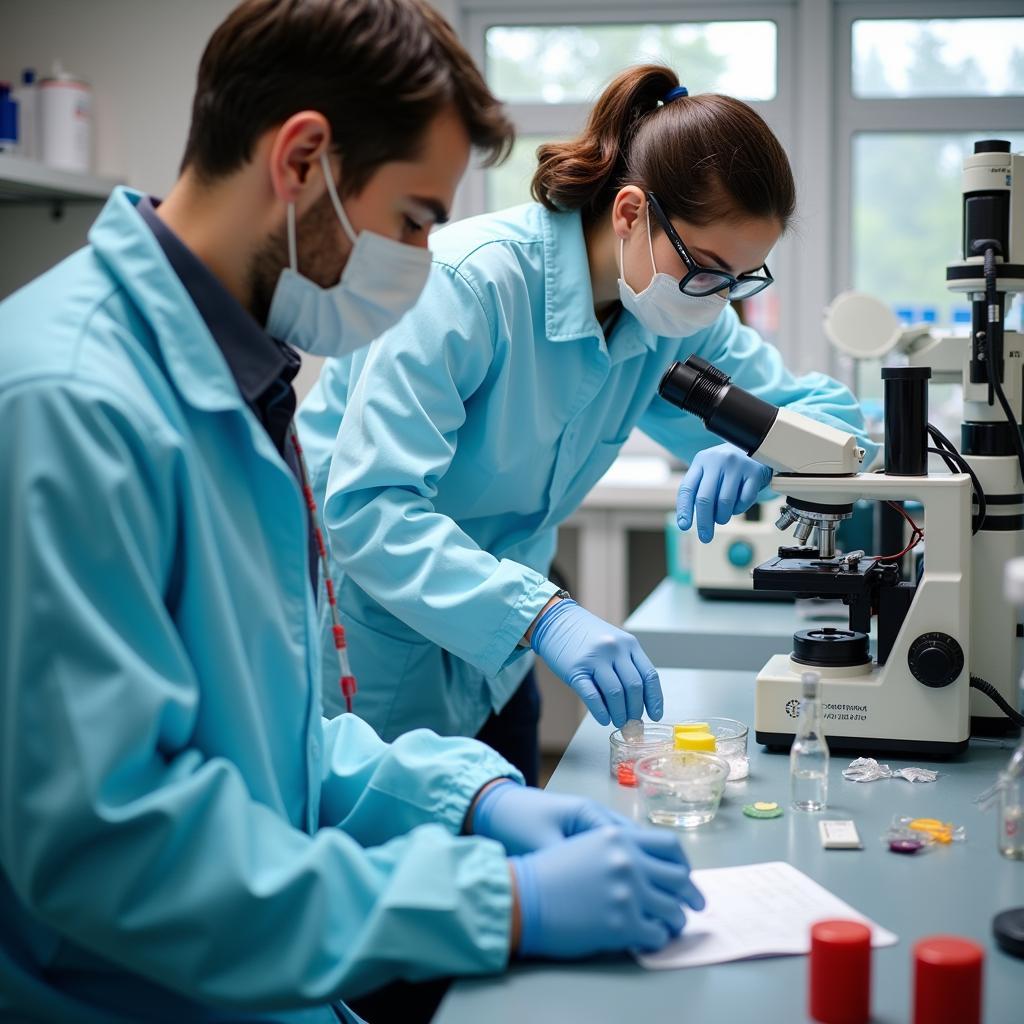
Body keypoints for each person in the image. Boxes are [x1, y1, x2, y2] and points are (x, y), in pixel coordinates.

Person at [0, 6, 704, 1022]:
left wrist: (471, 800)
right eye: (414, 218)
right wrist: (492, 901)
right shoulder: (70, 407)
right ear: (302, 159)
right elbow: (111, 845)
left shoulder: (236, 373)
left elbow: (275, 743)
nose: (421, 259)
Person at [297, 65, 880, 785]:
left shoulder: (673, 317)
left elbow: (834, 416)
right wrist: (545, 617)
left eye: (740, 280)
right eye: (707, 270)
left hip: (500, 662)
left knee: (506, 865)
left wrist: (773, 449)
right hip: (378, 648)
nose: (718, 299)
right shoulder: (467, 285)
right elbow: (366, 512)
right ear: (631, 212)